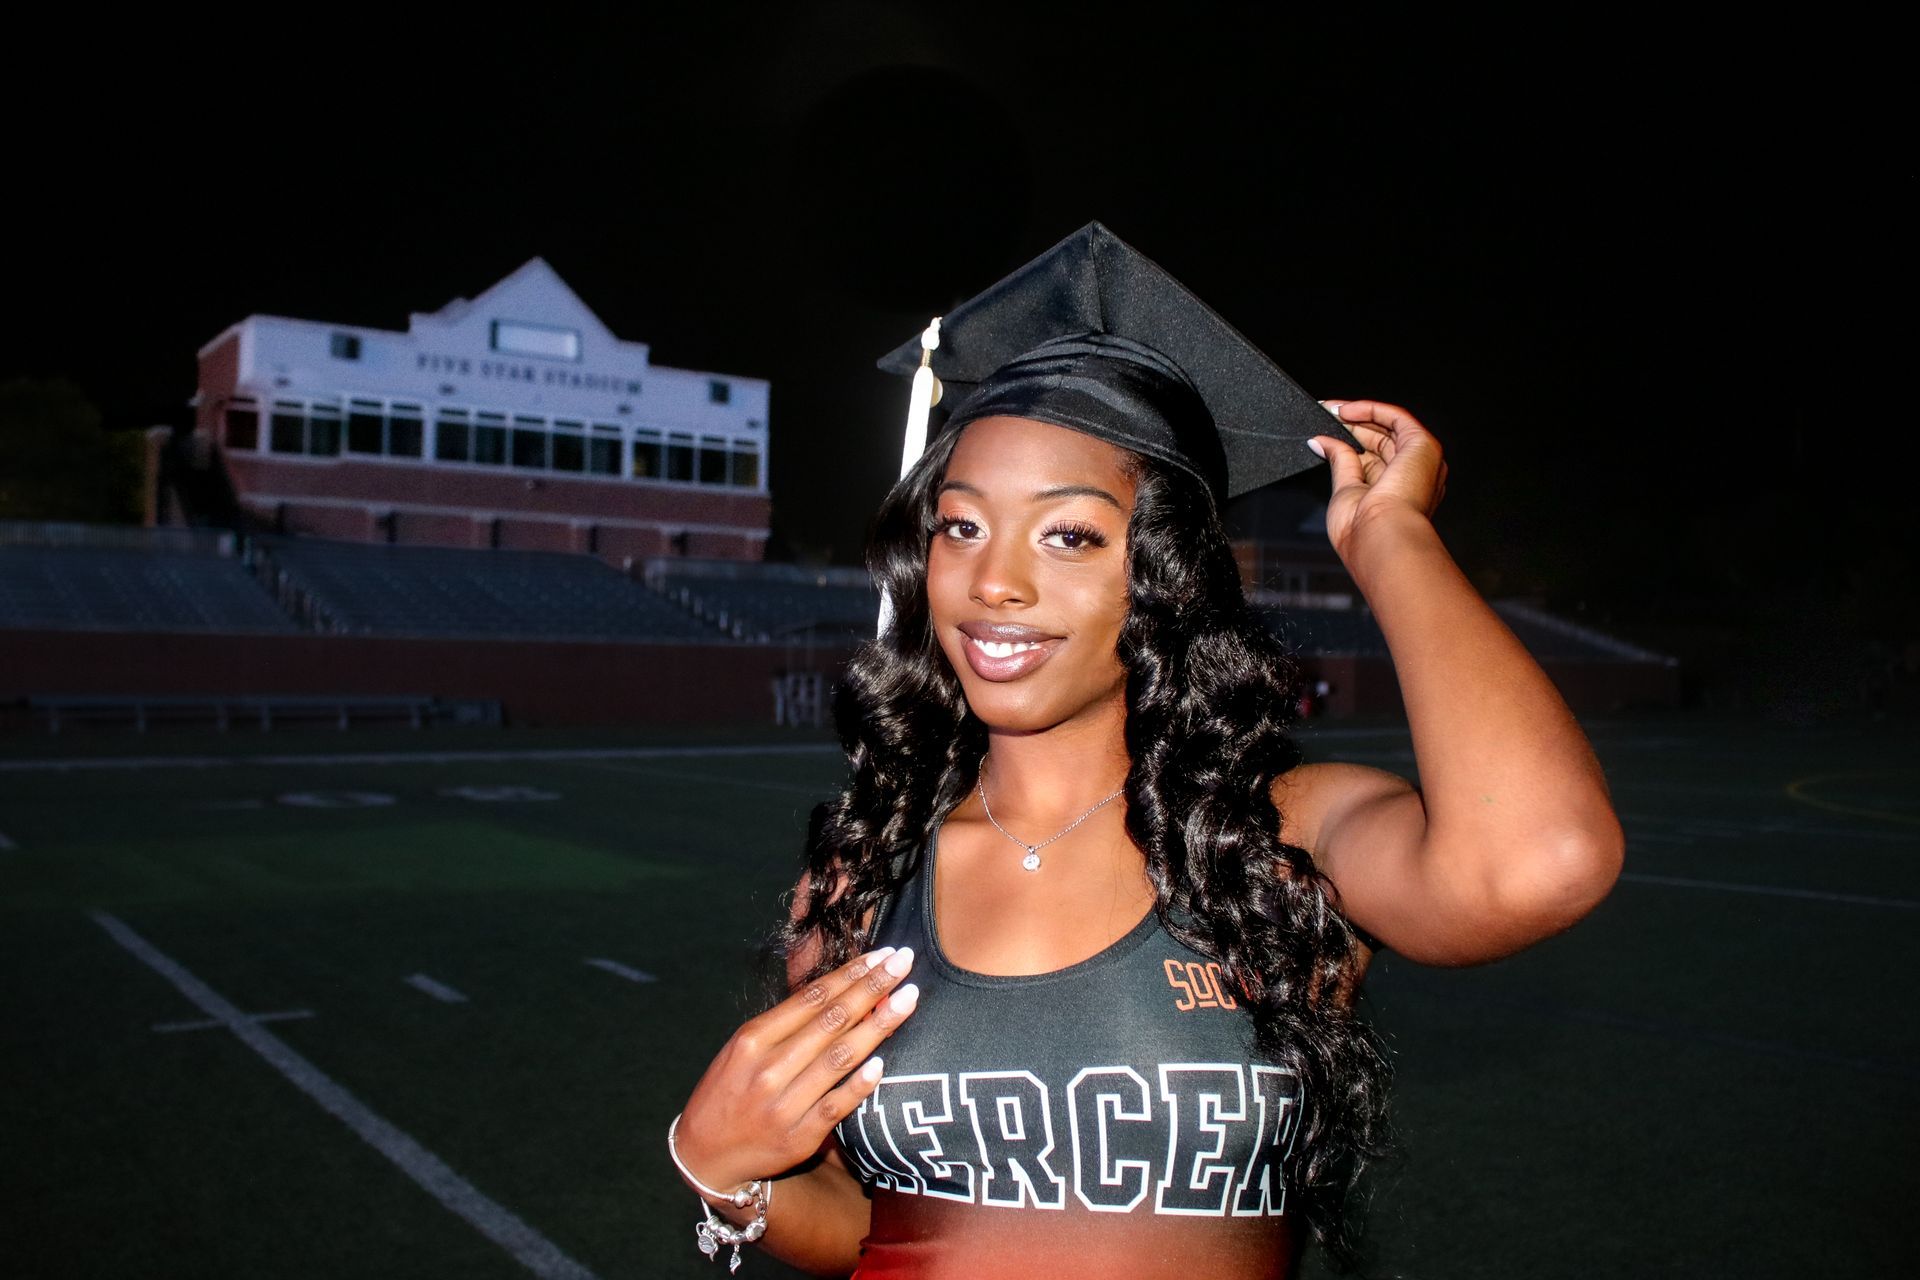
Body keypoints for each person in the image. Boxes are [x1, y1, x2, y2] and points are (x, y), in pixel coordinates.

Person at [667, 224, 1624, 1278]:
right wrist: (721, 1164)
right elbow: (867, 1224)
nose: (995, 583)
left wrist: (1390, 537)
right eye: (960, 526)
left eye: (1068, 534)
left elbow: (1543, 859)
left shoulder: (1282, 835)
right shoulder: (866, 871)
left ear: (1166, 573)